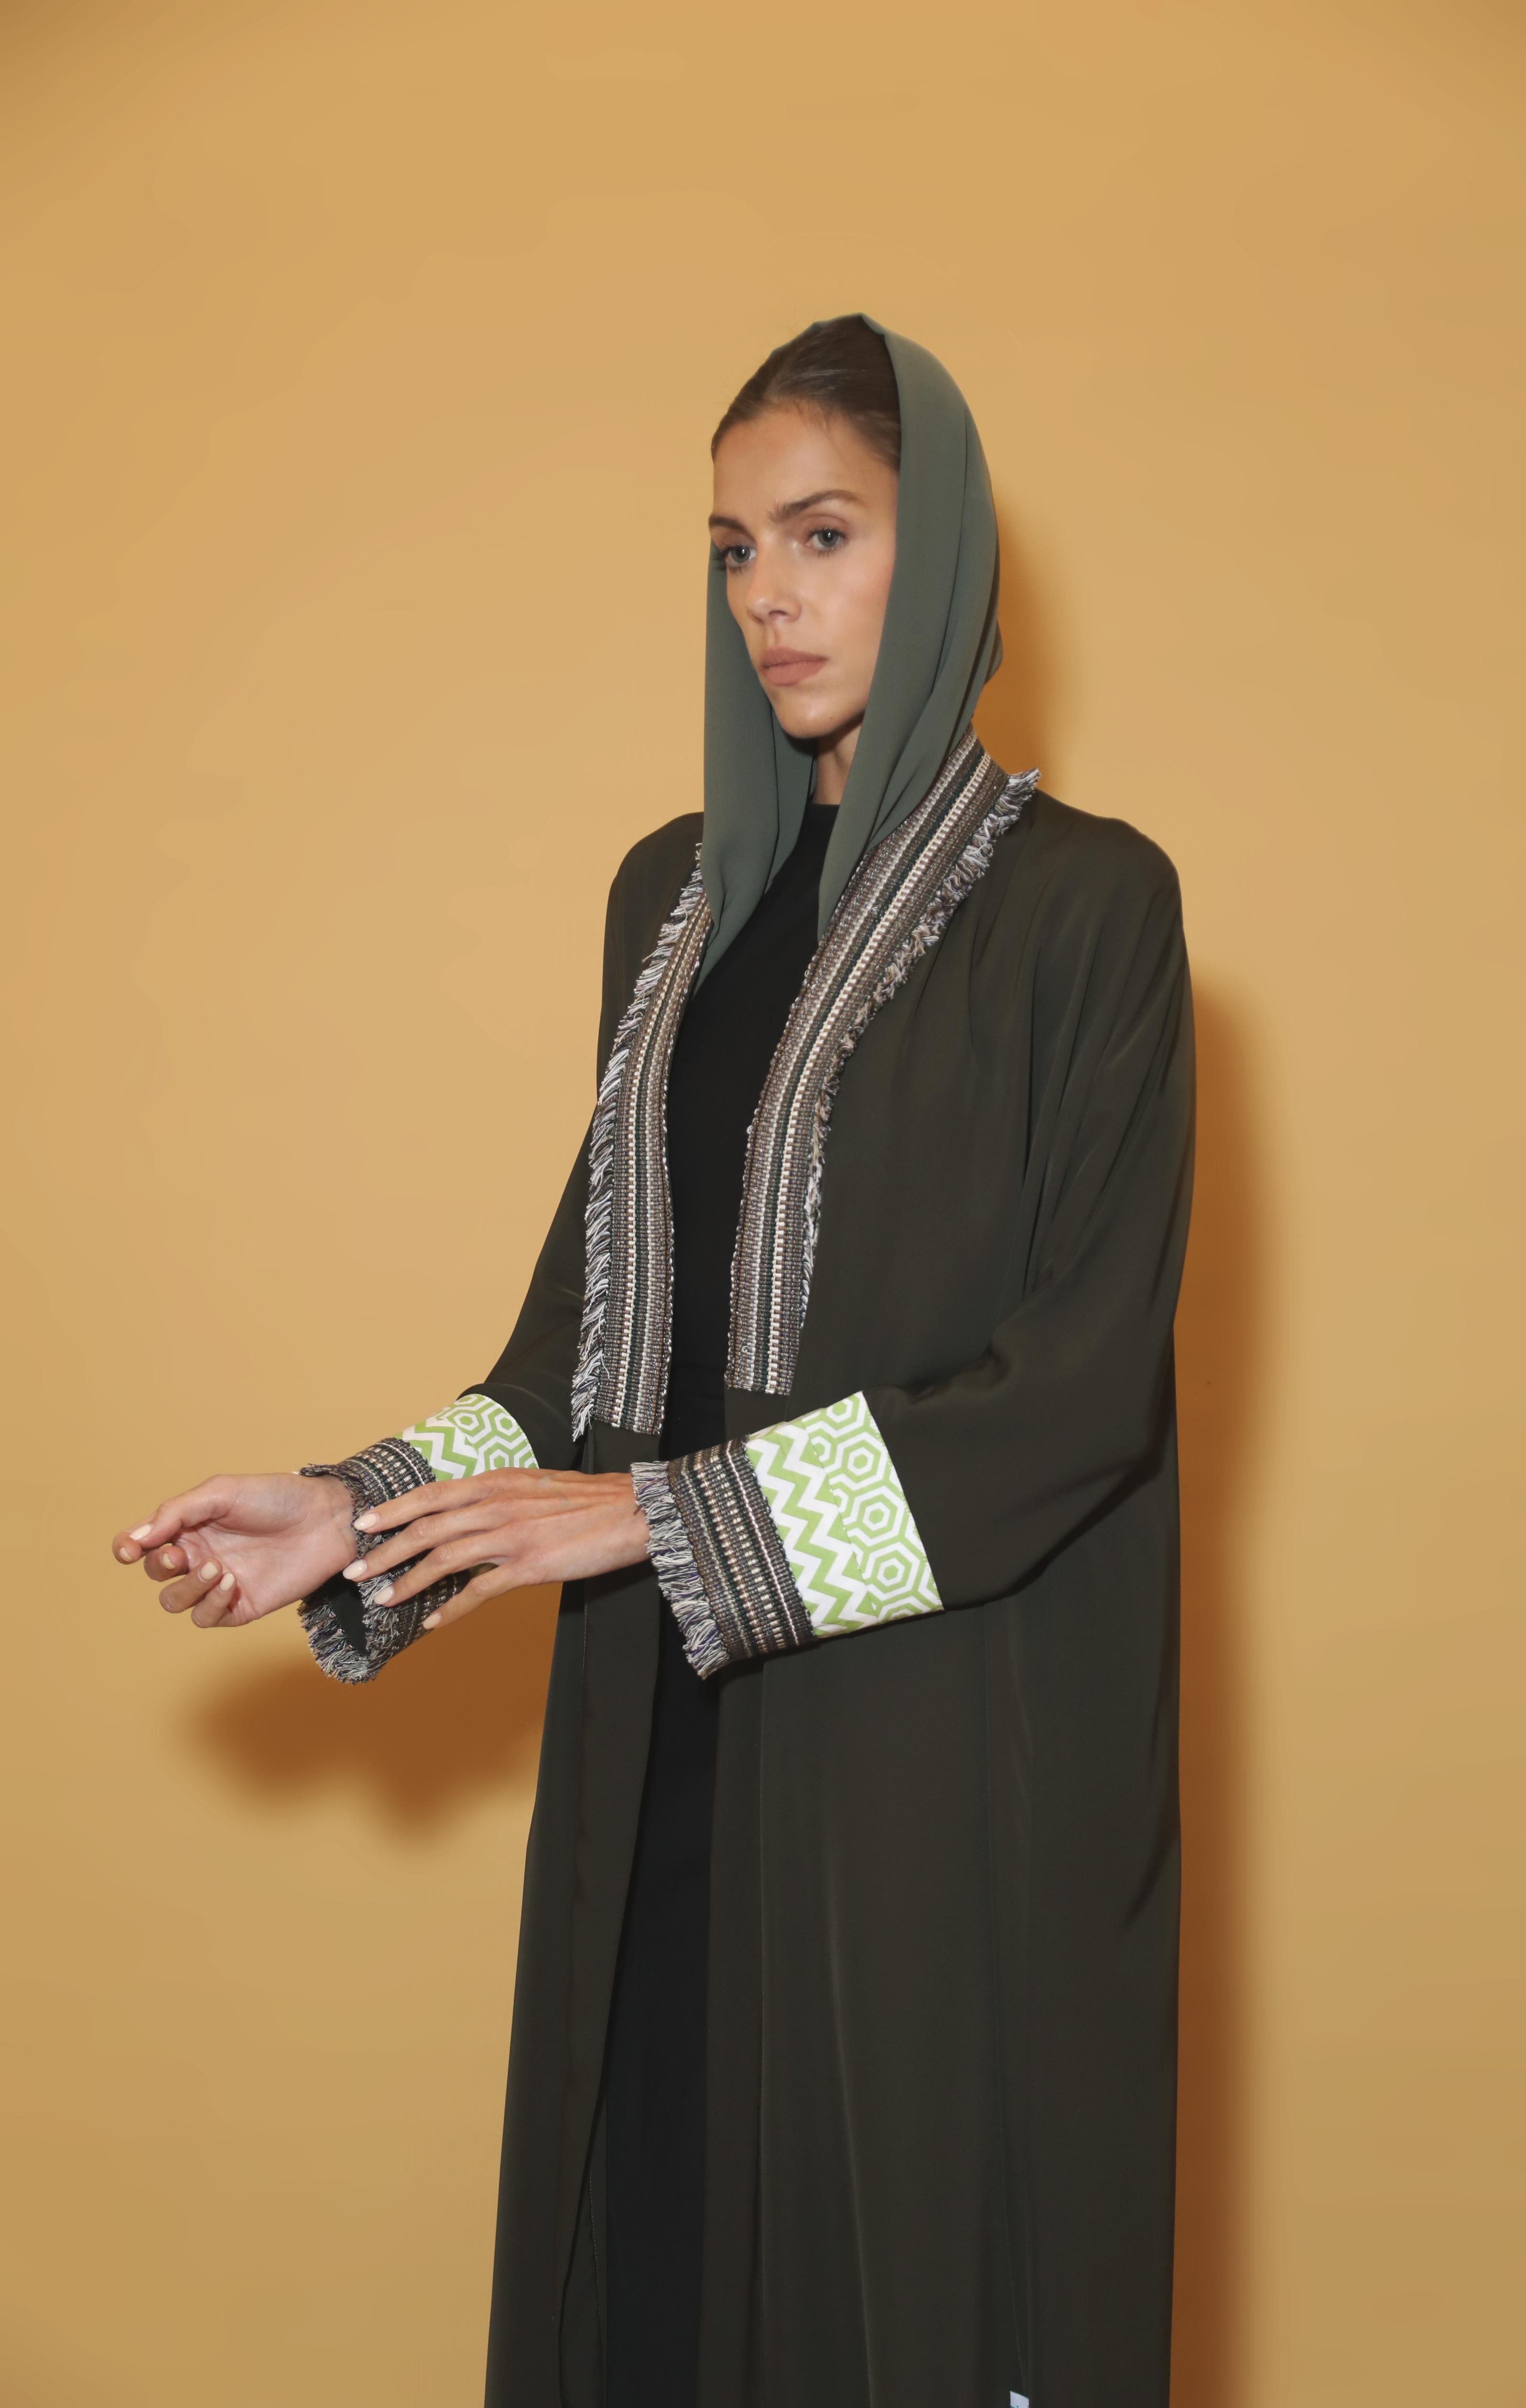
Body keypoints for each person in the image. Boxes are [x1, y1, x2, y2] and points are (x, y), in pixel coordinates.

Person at [113, 315, 1195, 2408]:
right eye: (733, 548)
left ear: (947, 550)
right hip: (665, 1743)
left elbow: (1075, 1398)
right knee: (659, 2284)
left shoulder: (1088, 913)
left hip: (929, 1772)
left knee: (903, 2295)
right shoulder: (670, 906)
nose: (769, 595)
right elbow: (589, 1350)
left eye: (824, 534)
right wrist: (357, 1511)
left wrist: (665, 1519)